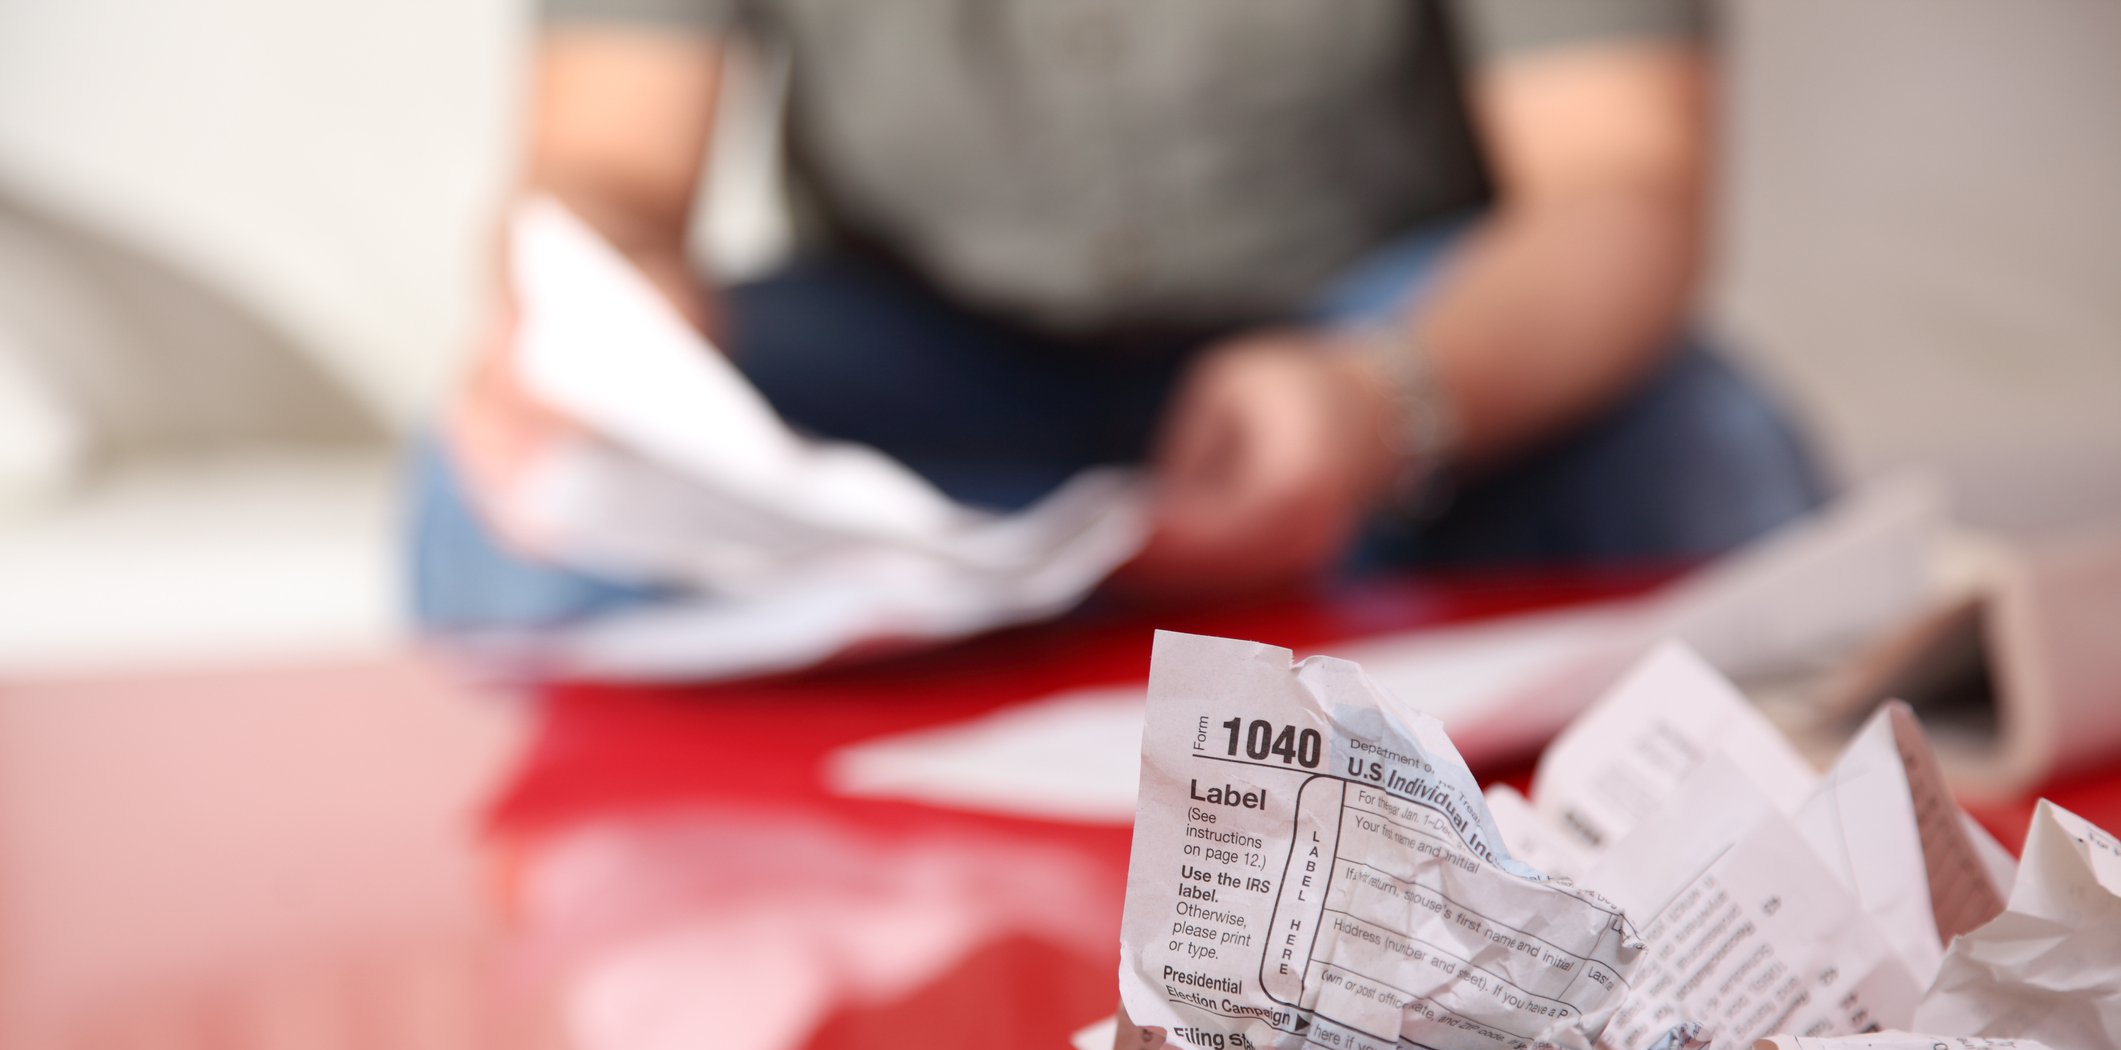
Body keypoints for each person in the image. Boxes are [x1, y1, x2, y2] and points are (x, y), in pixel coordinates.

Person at [416, 0, 1825, 629]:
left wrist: (1386, 394)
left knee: (1705, 455)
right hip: (916, 358)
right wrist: (602, 313)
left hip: (1383, 356)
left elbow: (1621, 184)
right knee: (498, 505)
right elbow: (604, 168)